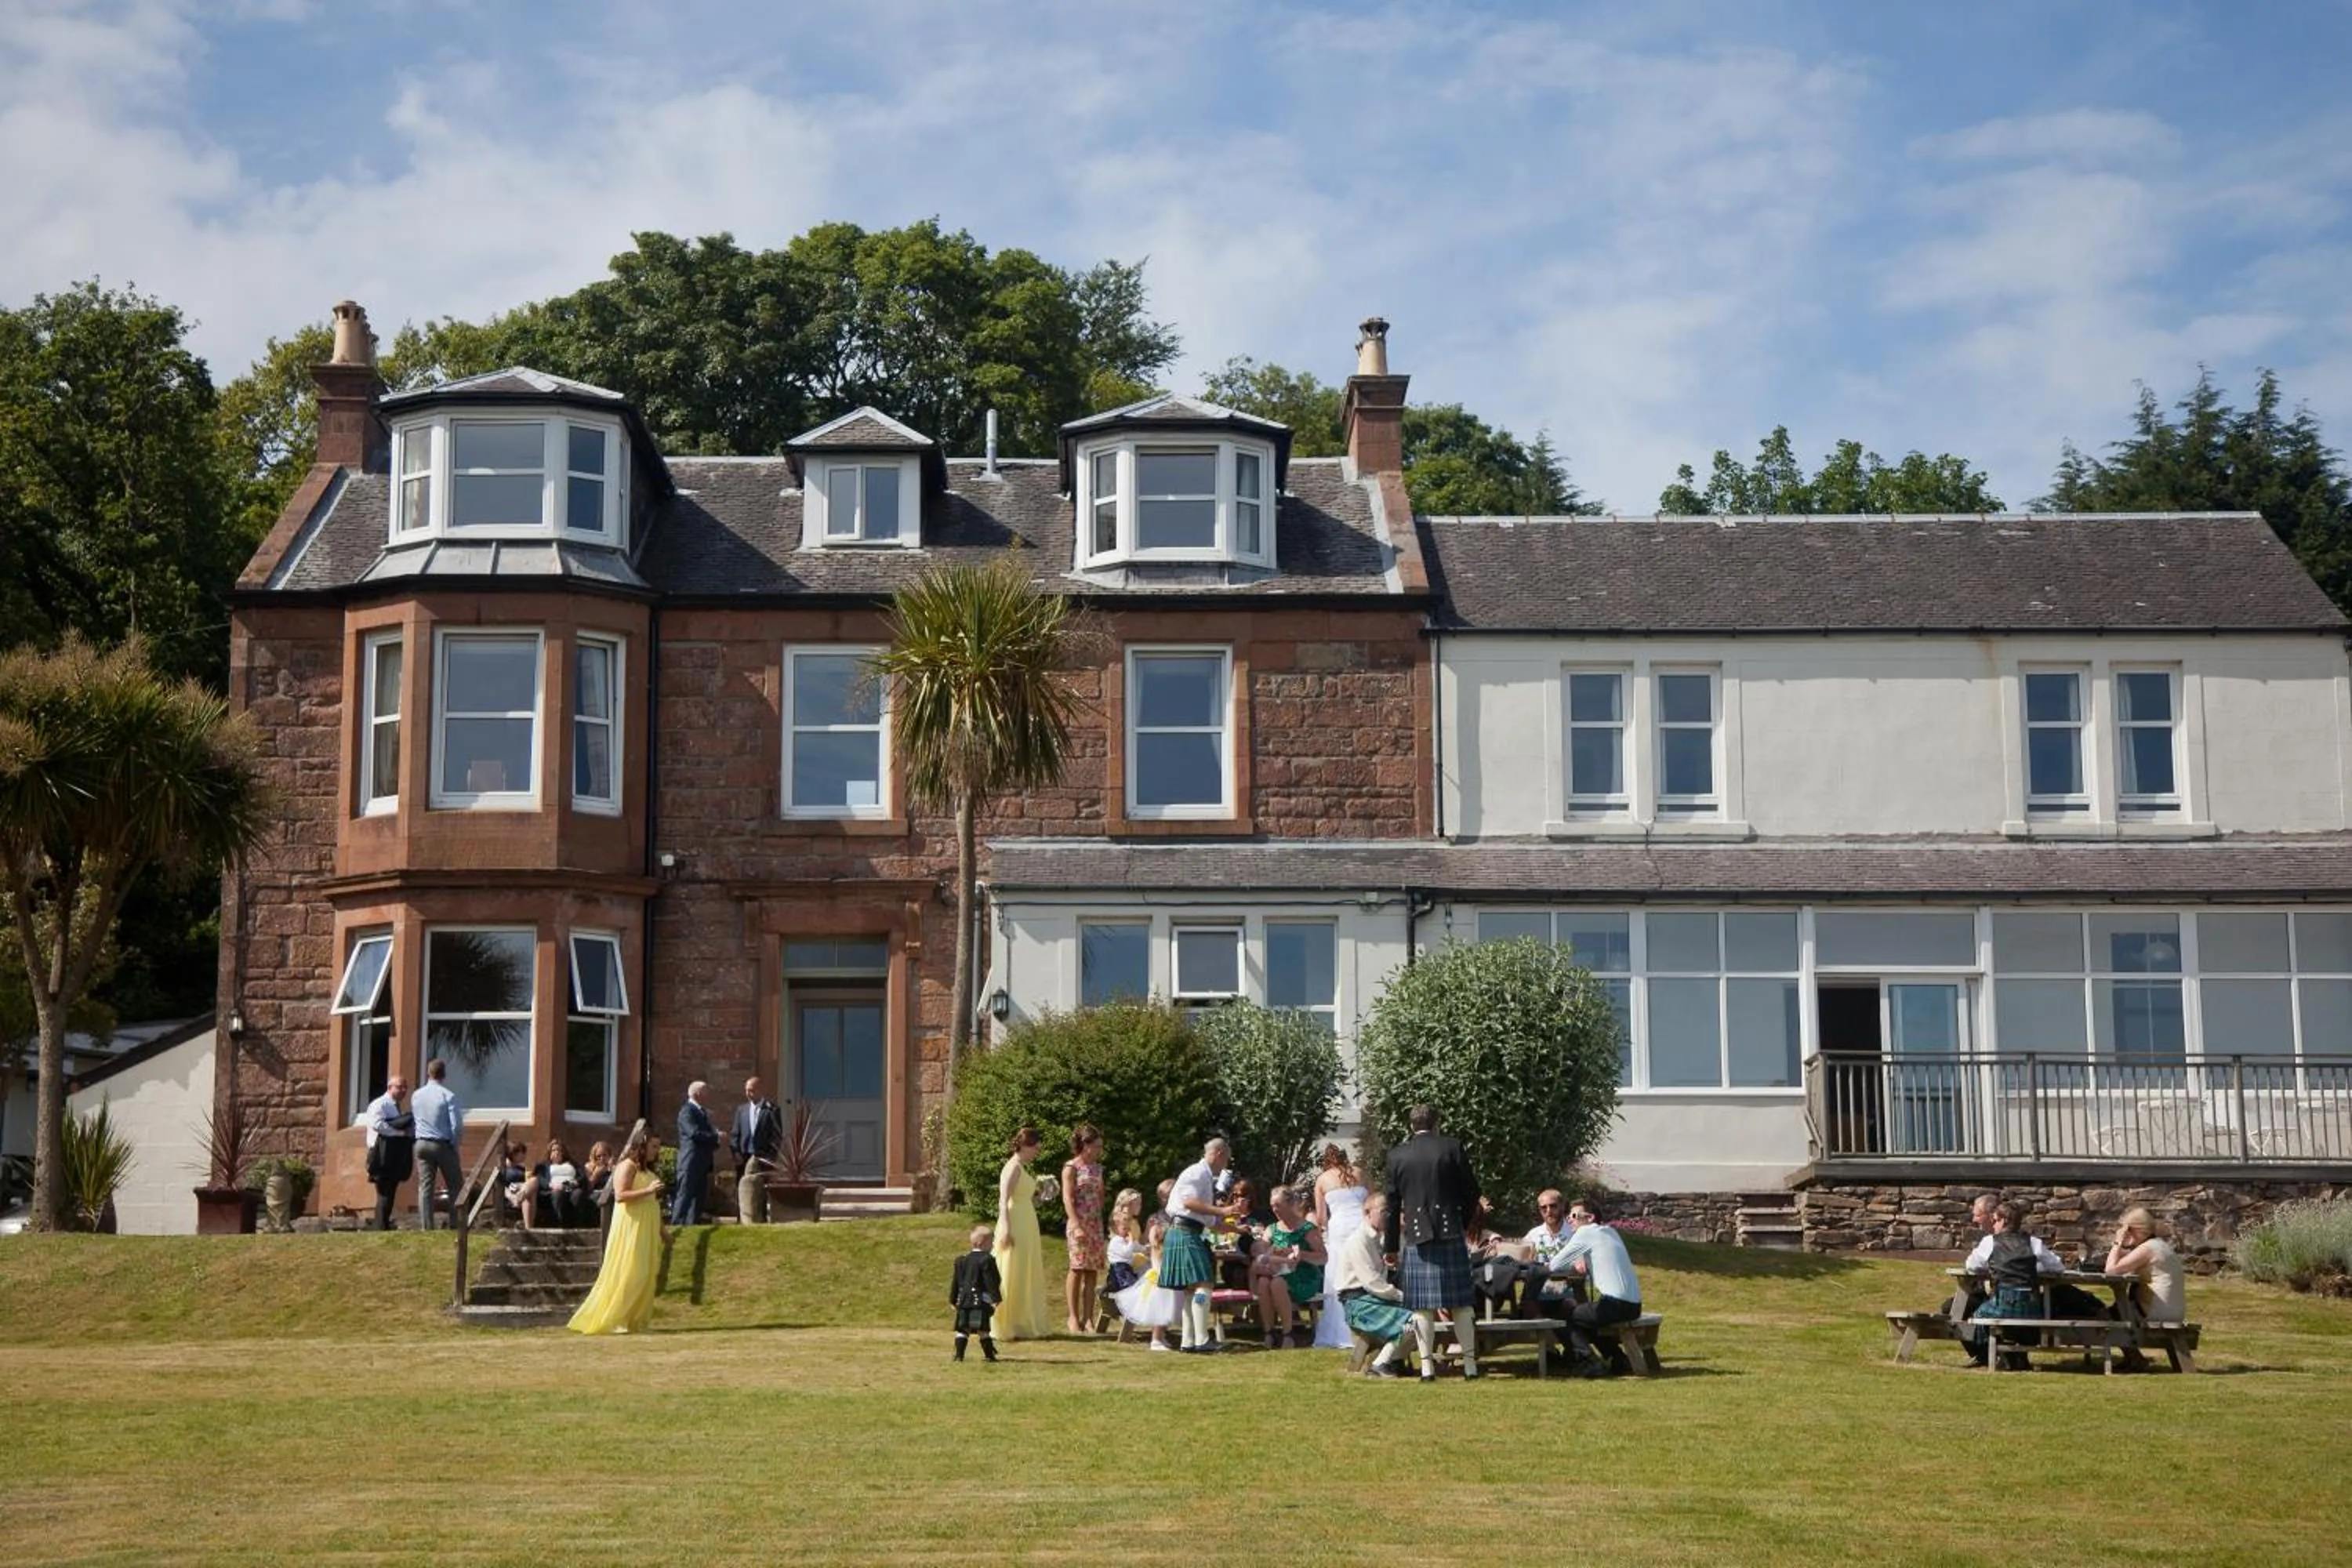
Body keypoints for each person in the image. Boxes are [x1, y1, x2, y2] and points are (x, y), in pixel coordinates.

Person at [1383, 1103, 1483, 1381]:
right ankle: (1470, 1367)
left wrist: (1390, 1247)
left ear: (1410, 1126)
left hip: (1417, 1236)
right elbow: (1472, 1191)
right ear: (1437, 1123)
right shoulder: (1452, 1147)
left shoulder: (1397, 1155)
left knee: (1422, 1307)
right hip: (1450, 1231)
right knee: (1462, 1303)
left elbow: (1391, 1207)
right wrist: (1459, 1221)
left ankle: (1427, 1369)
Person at [567, 1127, 666, 1335]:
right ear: (642, 1146)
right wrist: (649, 1190)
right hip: (631, 1227)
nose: (657, 1151)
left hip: (647, 1227)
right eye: (653, 1146)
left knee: (645, 1274)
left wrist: (663, 1232)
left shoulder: (648, 1172)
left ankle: (634, 1320)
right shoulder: (627, 1166)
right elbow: (621, 1195)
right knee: (631, 1273)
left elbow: (652, 1204)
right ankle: (616, 1318)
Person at [1544, 1199, 1645, 1377]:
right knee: (1586, 1316)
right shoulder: (1610, 1232)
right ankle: (1617, 1359)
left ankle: (1588, 1361)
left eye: (1574, 1216)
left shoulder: (1586, 1233)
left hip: (1615, 1304)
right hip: (1634, 1306)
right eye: (1568, 1217)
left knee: (1563, 1317)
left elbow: (1555, 1265)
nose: (1570, 1220)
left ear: (1590, 1218)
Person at [1163, 1138, 1243, 1353]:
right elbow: (1188, 1203)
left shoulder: (1205, 1177)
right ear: (1218, 1154)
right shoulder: (1196, 1173)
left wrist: (1237, 1229)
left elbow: (1207, 1220)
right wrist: (1222, 1211)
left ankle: (1188, 1342)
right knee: (1205, 1283)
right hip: (1185, 1231)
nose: (1226, 1163)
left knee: (1192, 1289)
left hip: (1187, 1230)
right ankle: (1202, 1340)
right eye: (1226, 1158)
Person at [1969, 1200, 2069, 1368]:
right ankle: (2013, 1357)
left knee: (1978, 1314)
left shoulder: (1990, 1242)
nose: (1993, 1225)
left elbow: (1971, 1266)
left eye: (1994, 1221)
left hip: (2002, 1305)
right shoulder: (2033, 1242)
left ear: (2004, 1221)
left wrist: (1991, 1264)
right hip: (2031, 1307)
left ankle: (1991, 1357)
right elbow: (2058, 1267)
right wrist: (2035, 1267)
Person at [1330, 1192, 1415, 1377]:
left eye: (1391, 1212)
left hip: (1373, 1298)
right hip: (1358, 1304)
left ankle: (1394, 1360)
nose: (1389, 1216)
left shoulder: (1381, 1238)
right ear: (1367, 1212)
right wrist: (1404, 1297)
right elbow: (1372, 1283)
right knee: (1413, 1319)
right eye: (1385, 1211)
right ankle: (1381, 1364)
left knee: (1421, 1316)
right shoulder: (1358, 1241)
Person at [2104, 1207, 2187, 1370]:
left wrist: (2117, 1243)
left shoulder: (2148, 1249)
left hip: (2157, 1312)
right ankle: (2135, 1359)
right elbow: (2127, 1267)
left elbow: (2110, 1271)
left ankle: (2135, 1359)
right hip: (2172, 1311)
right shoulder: (2158, 1246)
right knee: (2118, 1310)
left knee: (2106, 1315)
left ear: (2133, 1230)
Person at [991, 1127, 1053, 1340]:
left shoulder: (1021, 1168)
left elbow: (1024, 1198)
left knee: (1024, 1269)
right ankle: (1007, 1322)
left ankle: (1021, 1320)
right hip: (1015, 1221)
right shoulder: (1012, 1167)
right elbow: (1003, 1200)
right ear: (1026, 1146)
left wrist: (1043, 1196)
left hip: (1026, 1220)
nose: (1037, 1151)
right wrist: (1006, 1227)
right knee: (1013, 1269)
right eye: (1035, 1147)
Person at [1255, 1184, 1327, 1348]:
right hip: (1280, 1271)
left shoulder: (1307, 1229)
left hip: (1304, 1275)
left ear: (1290, 1205)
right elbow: (1262, 1253)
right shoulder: (1272, 1229)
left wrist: (1302, 1255)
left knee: (1277, 1282)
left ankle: (1288, 1334)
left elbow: (1323, 1258)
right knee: (1263, 1282)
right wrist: (1269, 1254)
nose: (1275, 1209)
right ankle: (1269, 1332)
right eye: (1272, 1206)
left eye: (1278, 1205)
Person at [1312, 1144, 1369, 1350]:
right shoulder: (1361, 1173)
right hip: (1362, 1224)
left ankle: (1341, 1328)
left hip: (1340, 1228)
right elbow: (1373, 1201)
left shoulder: (1322, 1179)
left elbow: (1320, 1217)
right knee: (1364, 1271)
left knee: (1339, 1275)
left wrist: (1324, 1234)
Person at [1112, 1214, 1183, 1350]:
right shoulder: (1160, 1250)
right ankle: (1156, 1340)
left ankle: (1161, 1337)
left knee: (1165, 1315)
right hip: (1160, 1285)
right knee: (1161, 1315)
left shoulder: (1158, 1248)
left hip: (1163, 1284)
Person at [408, 1058, 463, 1231]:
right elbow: (457, 1125)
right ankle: (456, 1223)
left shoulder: (416, 1095)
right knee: (455, 1184)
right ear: (444, 1074)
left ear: (428, 1073)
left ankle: (427, 1226)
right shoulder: (447, 1095)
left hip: (421, 1143)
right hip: (441, 1143)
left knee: (425, 1186)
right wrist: (454, 1144)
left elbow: (416, 1117)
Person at [1062, 1125, 1107, 1334]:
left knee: (1091, 1271)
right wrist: (1076, 1225)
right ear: (1086, 1145)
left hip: (1095, 1223)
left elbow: (1101, 1196)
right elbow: (1068, 1199)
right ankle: (1073, 1317)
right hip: (1078, 1223)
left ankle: (1088, 1319)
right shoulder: (1071, 1168)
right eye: (1097, 1146)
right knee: (1077, 1268)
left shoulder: (1098, 1169)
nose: (1099, 1150)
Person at [361, 1075, 414, 1232]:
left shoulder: (395, 1107)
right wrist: (400, 1133)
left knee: (390, 1190)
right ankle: (380, 1225)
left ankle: (382, 1223)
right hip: (380, 1153)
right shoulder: (380, 1104)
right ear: (390, 1087)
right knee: (384, 1190)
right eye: (399, 1087)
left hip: (392, 1153)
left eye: (405, 1087)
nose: (403, 1090)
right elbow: (378, 1125)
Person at [731, 1077, 782, 1224]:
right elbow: (736, 1133)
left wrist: (772, 1156)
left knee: (761, 1189)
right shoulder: (742, 1110)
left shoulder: (772, 1110)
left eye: (752, 1090)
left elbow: (777, 1136)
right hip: (744, 1156)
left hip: (763, 1157)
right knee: (742, 1188)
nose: (748, 1093)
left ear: (760, 1090)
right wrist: (735, 1153)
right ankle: (742, 1219)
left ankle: (761, 1218)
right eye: (746, 1090)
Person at [950, 1223, 1003, 1363]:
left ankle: (959, 1355)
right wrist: (996, 1298)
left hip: (963, 1301)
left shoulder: (961, 1260)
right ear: (982, 1243)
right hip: (980, 1301)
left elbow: (956, 1282)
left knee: (963, 1329)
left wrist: (953, 1300)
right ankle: (989, 1356)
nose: (992, 1244)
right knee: (983, 1330)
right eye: (991, 1241)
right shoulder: (987, 1260)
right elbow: (992, 1280)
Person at [672, 1080, 720, 1225]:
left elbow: (704, 1134)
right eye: (706, 1091)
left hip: (701, 1162)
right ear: (698, 1093)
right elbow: (693, 1133)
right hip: (690, 1162)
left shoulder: (701, 1111)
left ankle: (692, 1226)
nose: (709, 1094)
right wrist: (715, 1136)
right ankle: (677, 1226)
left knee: (698, 1198)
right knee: (685, 1196)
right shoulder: (687, 1111)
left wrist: (715, 1139)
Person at [532, 1139, 592, 1229]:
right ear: (550, 1153)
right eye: (554, 1150)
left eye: (559, 1150)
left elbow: (582, 1177)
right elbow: (540, 1179)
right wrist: (552, 1186)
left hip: (571, 1187)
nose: (556, 1152)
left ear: (563, 1153)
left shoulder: (572, 1164)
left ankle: (577, 1225)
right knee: (558, 1194)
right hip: (554, 1189)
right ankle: (561, 1226)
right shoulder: (543, 1166)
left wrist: (572, 1184)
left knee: (578, 1194)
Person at [1105, 1189, 1147, 1294]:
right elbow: (1129, 1248)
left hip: (1131, 1258)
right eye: (1137, 1204)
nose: (1140, 1207)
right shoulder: (1121, 1222)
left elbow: (1137, 1244)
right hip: (1124, 1264)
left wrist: (1147, 1248)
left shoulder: (1134, 1222)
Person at [497, 1140, 532, 1225]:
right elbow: (502, 1186)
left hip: (523, 1194)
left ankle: (525, 1223)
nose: (524, 1155)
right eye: (522, 1152)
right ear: (513, 1153)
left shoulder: (523, 1169)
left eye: (525, 1152)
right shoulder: (504, 1170)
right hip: (511, 1196)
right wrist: (512, 1197)